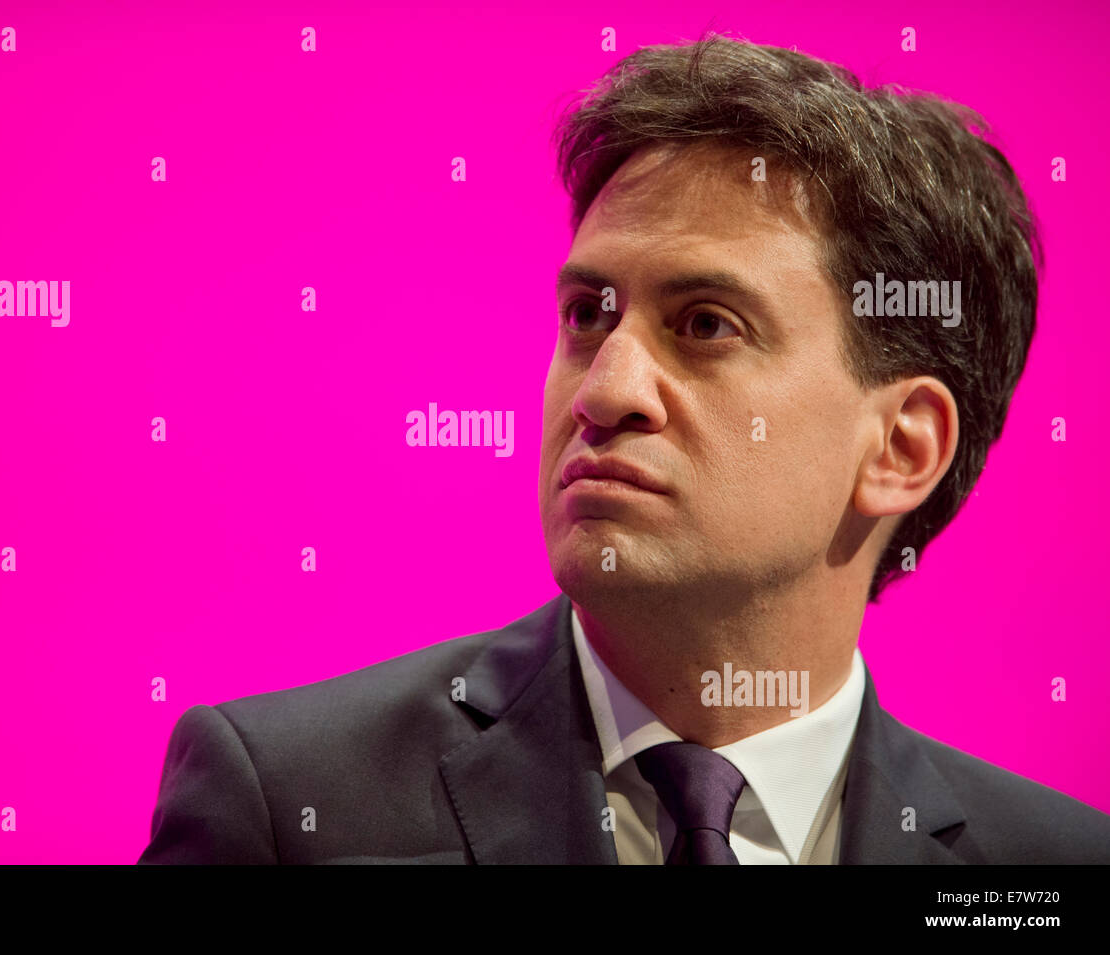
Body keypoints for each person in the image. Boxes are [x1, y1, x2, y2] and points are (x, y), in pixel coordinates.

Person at [138, 35, 1110, 864]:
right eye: (586, 315)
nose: (602, 391)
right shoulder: (291, 804)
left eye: (704, 324)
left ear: (900, 446)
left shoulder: (1051, 860)